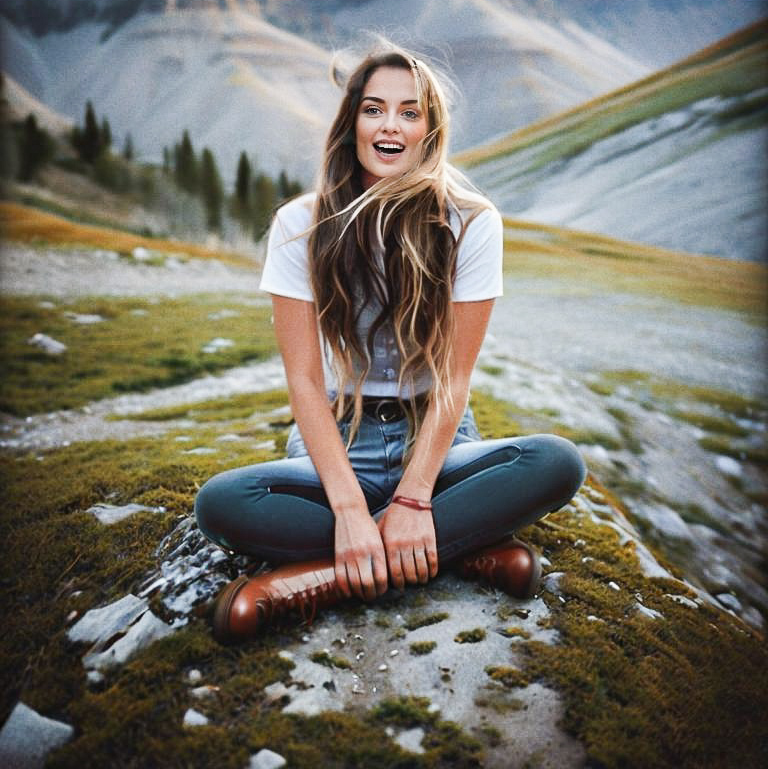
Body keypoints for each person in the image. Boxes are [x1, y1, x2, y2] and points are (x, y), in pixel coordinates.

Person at [195, 46, 586, 642]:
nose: (390, 126)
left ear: (429, 129)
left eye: (409, 112)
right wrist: (350, 509)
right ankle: (463, 552)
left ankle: (321, 578)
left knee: (557, 463)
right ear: (352, 121)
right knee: (222, 503)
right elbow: (303, 380)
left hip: (437, 438)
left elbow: (453, 380)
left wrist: (413, 500)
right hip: (338, 431)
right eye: (374, 109)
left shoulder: (471, 222)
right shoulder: (300, 224)